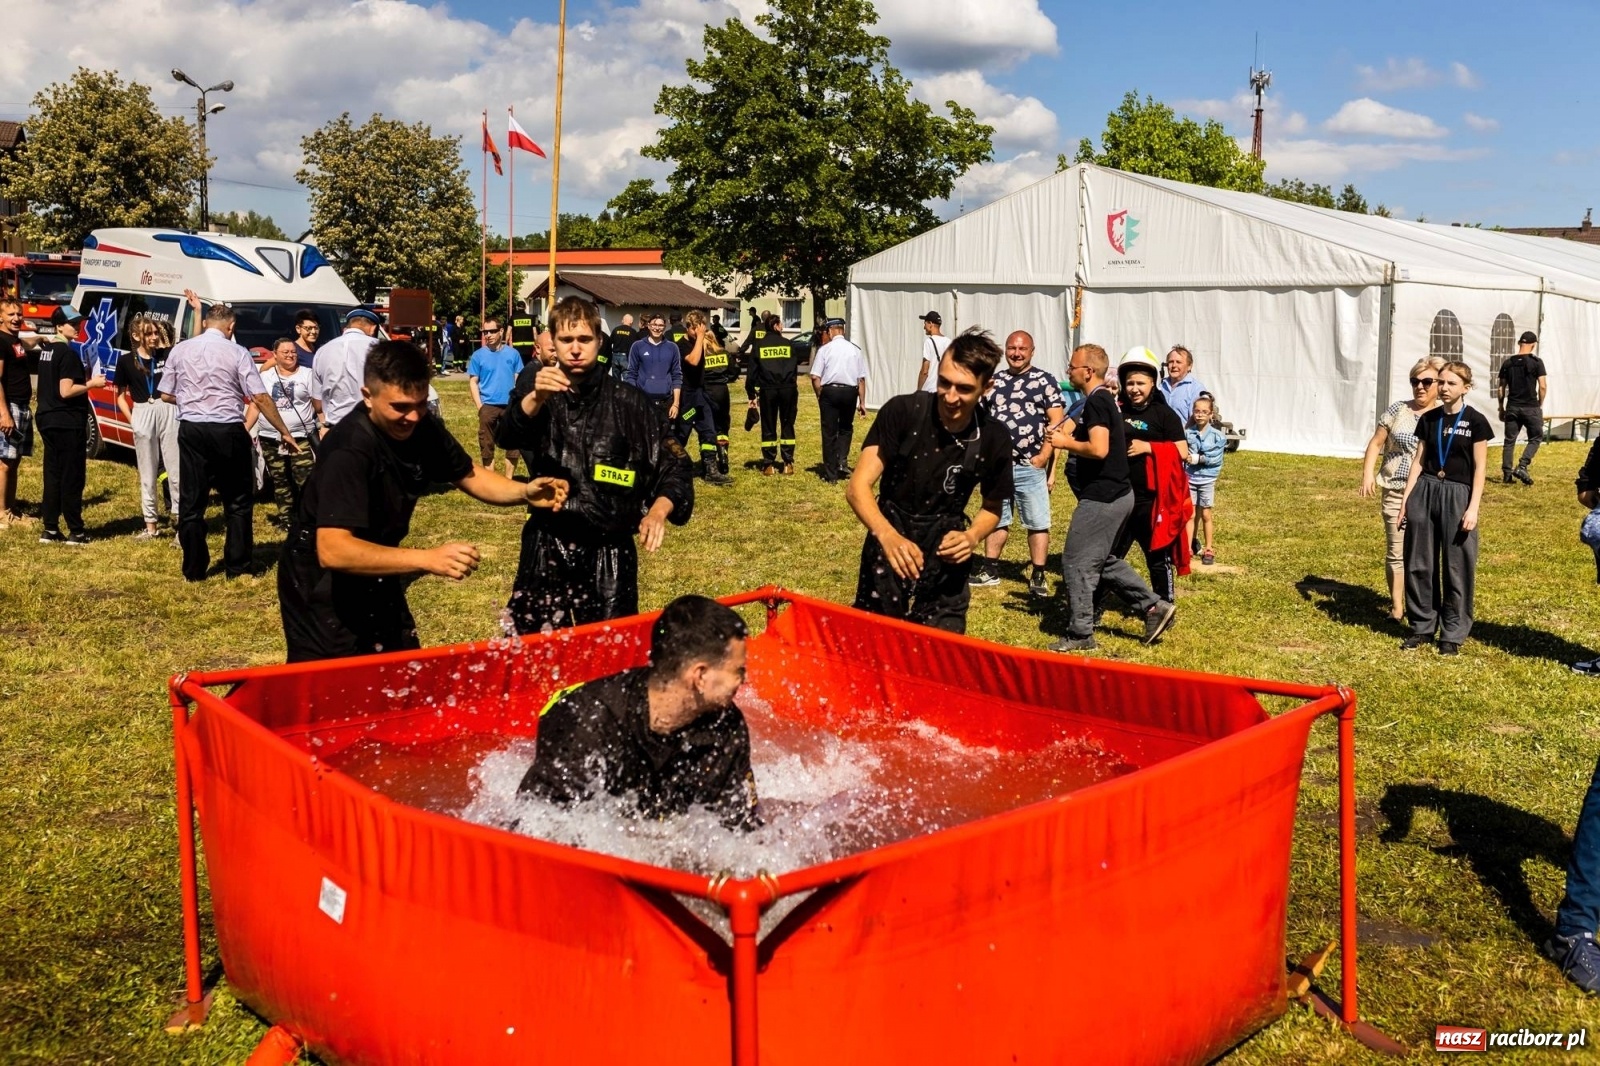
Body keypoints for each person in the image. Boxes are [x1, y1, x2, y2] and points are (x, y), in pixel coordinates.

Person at [278, 340, 567, 662]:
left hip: (378, 563)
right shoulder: (350, 449)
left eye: (420, 404)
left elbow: (468, 473)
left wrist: (523, 492)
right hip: (320, 581)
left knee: (401, 665)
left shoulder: (420, 423)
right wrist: (428, 558)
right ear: (367, 396)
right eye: (399, 407)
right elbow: (334, 550)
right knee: (335, 684)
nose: (412, 417)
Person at [496, 296, 695, 635]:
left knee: (609, 649)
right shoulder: (538, 391)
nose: (575, 349)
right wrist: (534, 398)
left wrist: (658, 511)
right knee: (530, 648)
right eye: (566, 340)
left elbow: (676, 466)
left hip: (610, 549)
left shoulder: (631, 403)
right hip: (548, 540)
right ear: (553, 344)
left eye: (584, 339)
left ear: (599, 341)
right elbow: (506, 435)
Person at [517, 594, 759, 830]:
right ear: (700, 676)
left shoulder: (726, 724)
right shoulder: (589, 720)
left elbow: (739, 829)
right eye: (738, 670)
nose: (744, 680)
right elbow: (537, 827)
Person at [847, 330, 1012, 634]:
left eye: (963, 388)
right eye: (944, 382)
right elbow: (857, 487)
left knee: (939, 652)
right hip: (889, 538)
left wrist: (972, 536)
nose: (950, 397)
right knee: (875, 640)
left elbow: (992, 507)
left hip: (946, 550)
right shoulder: (903, 411)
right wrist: (886, 533)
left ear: (986, 388)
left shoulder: (993, 437)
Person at [1046, 344, 1176, 653]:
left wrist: (1064, 442)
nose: (1068, 371)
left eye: (1072, 366)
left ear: (1087, 372)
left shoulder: (1097, 402)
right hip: (1118, 493)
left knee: (1076, 562)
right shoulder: (1103, 401)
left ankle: (1080, 633)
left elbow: (1100, 448)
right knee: (1102, 559)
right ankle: (1154, 607)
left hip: (1103, 496)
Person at [159, 299, 300, 581]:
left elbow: (165, 393)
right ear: (231, 326)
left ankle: (194, 569)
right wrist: (284, 431)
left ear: (203, 323)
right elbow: (259, 397)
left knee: (192, 501)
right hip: (227, 429)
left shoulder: (180, 350)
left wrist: (193, 399)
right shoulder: (238, 352)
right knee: (237, 501)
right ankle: (237, 567)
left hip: (192, 428)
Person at [1397, 361, 1491, 655]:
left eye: (1451, 383)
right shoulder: (1430, 418)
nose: (1444, 388)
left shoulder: (1476, 422)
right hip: (1425, 490)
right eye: (1441, 382)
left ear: (1466, 387)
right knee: (1418, 562)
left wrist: (1473, 507)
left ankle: (1453, 631)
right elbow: (1418, 462)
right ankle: (1422, 626)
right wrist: (1405, 502)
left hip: (1457, 494)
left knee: (1457, 566)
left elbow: (1479, 469)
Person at [1091, 347, 1189, 620]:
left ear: (1153, 384)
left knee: (1157, 557)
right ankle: (1095, 607)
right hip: (1120, 497)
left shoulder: (1164, 415)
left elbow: (1182, 451)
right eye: (1130, 383)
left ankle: (1165, 607)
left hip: (1150, 501)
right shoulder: (1115, 409)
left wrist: (1149, 447)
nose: (1134, 389)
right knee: (1109, 557)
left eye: (1140, 383)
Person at [971, 329, 1064, 595]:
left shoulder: (1044, 381)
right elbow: (980, 419)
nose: (1017, 353)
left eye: (1022, 349)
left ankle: (1038, 574)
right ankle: (990, 569)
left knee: (1037, 521)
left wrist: (1044, 457)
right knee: (995, 516)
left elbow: (1056, 423)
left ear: (1032, 351)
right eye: (1012, 348)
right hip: (997, 466)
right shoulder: (994, 381)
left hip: (1029, 465)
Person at [1359, 357, 1443, 622]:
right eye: (1415, 381)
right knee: (1396, 551)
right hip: (1395, 489)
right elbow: (1376, 444)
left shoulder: (1444, 414)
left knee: (1424, 553)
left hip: (1428, 491)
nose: (1420, 387)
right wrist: (1368, 475)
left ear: (1438, 384)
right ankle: (1397, 608)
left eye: (1426, 381)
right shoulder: (1397, 410)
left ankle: (1423, 605)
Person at [34, 307, 101, 544]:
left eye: (79, 322)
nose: (78, 326)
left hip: (46, 418)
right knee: (72, 475)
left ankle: (50, 528)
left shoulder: (47, 351)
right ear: (59, 326)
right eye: (72, 323)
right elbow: (66, 390)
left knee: (52, 473)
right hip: (67, 421)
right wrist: (92, 383)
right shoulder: (68, 354)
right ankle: (76, 530)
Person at [117, 314, 183, 538]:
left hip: (167, 410)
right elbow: (119, 396)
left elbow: (192, 343)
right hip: (142, 411)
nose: (155, 337)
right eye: (149, 333)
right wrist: (133, 419)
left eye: (156, 332)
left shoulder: (166, 355)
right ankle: (151, 525)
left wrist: (198, 311)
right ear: (136, 336)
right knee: (148, 472)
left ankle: (179, 524)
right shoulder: (126, 361)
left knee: (175, 470)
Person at [247, 337, 319, 529]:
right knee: (280, 479)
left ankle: (308, 519)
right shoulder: (265, 377)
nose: (290, 355)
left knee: (305, 478)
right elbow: (256, 405)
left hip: (300, 437)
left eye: (293, 352)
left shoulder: (308, 374)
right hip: (271, 437)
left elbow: (317, 404)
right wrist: (245, 429)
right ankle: (286, 519)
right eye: (285, 352)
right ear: (275, 355)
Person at [676, 310, 733, 486]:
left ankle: (710, 469)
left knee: (709, 431)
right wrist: (700, 338)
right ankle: (672, 467)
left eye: (702, 328)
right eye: (696, 329)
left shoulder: (700, 341)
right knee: (682, 433)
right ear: (689, 328)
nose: (700, 332)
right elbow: (693, 361)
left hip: (701, 394)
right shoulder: (681, 344)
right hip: (687, 396)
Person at [809, 317, 868, 484]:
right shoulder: (855, 350)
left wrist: (819, 394)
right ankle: (842, 461)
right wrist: (862, 403)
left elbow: (815, 377)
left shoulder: (825, 350)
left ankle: (831, 473)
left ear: (830, 331)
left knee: (829, 431)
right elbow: (861, 379)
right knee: (845, 428)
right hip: (850, 392)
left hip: (830, 391)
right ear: (842, 330)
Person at [467, 316, 524, 478]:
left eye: (492, 331)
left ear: (501, 331)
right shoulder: (478, 356)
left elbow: (518, 379)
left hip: (510, 406)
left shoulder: (513, 354)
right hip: (488, 406)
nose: (488, 335)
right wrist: (480, 407)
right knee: (486, 442)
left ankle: (508, 480)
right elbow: (473, 382)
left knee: (513, 443)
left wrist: (516, 403)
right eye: (485, 331)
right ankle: (490, 479)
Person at [311, 307, 382, 431]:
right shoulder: (380, 348)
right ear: (373, 328)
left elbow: (317, 403)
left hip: (335, 427)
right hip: (371, 427)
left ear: (347, 326)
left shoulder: (322, 351)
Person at [745, 319, 800, 475]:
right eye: (780, 324)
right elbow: (794, 369)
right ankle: (788, 462)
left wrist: (751, 393)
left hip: (768, 390)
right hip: (788, 389)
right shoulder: (788, 344)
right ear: (776, 326)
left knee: (768, 425)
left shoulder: (759, 345)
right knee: (787, 423)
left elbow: (752, 372)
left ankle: (768, 464)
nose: (782, 327)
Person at [0, 298, 36, 525]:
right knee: (4, 462)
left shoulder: (15, 340)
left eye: (19, 314)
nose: (16, 318)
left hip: (22, 406)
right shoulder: (1, 341)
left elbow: (27, 345)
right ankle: (2, 513)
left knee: (14, 461)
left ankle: (11, 508)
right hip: (10, 407)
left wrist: (41, 338)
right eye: (11, 314)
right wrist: (4, 413)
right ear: (0, 317)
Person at [1498, 330, 1546, 486]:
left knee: (1509, 441)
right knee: (1536, 437)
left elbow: (1501, 388)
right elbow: (1543, 386)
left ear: (1519, 343)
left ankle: (1507, 475)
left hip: (1512, 406)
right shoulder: (1537, 362)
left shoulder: (1507, 363)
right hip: (1530, 406)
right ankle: (1523, 465)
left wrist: (1501, 407)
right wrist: (1540, 404)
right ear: (1533, 345)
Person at [700, 308, 743, 478]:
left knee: (708, 427)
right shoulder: (724, 353)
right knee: (723, 425)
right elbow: (734, 372)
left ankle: (708, 462)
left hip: (706, 391)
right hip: (722, 392)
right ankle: (723, 455)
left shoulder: (701, 356)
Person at [1184, 394, 1226, 566]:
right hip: (1190, 478)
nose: (1199, 414)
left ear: (1211, 415)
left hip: (1207, 479)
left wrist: (1197, 459)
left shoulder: (1218, 436)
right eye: (1196, 411)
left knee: (1206, 514)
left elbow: (1215, 458)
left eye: (1204, 412)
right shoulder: (1188, 433)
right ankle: (1187, 548)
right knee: (1190, 514)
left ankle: (1209, 548)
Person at [624, 312, 681, 420]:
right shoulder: (638, 346)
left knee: (665, 436)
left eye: (660, 325)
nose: (657, 328)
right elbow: (631, 375)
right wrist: (633, 399)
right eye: (654, 325)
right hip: (643, 402)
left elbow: (677, 376)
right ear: (649, 325)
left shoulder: (672, 348)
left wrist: (676, 403)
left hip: (666, 402)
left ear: (665, 327)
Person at [1159, 345, 1206, 426]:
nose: (1174, 366)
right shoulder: (1161, 386)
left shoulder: (1196, 389)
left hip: (1183, 437)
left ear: (1189, 366)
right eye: (1171, 362)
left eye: (1178, 362)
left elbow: (1196, 419)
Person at [914, 311, 949, 394]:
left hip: (930, 390)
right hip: (944, 390)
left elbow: (925, 371)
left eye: (925, 324)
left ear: (930, 324)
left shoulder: (929, 342)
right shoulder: (949, 342)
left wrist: (918, 390)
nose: (924, 327)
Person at [605, 313, 638, 379]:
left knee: (615, 379)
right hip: (625, 357)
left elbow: (609, 342)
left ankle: (616, 389)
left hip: (615, 356)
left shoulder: (616, 329)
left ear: (622, 320)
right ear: (631, 322)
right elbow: (635, 346)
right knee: (627, 379)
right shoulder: (633, 332)